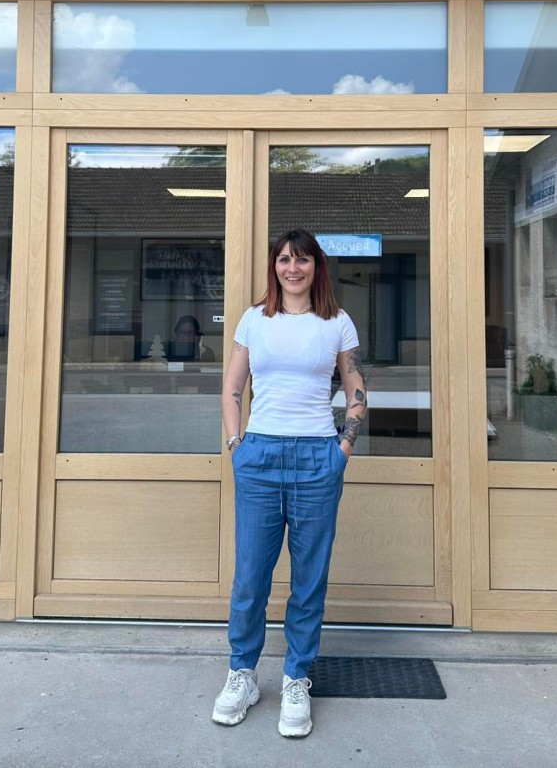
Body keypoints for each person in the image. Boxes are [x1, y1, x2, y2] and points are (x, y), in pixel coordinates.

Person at [212, 229, 367, 738]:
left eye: (302, 260)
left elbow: (356, 389)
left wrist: (342, 449)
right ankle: (242, 674)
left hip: (317, 458)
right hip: (259, 455)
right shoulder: (254, 319)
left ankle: (296, 677)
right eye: (284, 259)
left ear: (316, 267)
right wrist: (237, 446)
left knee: (309, 579)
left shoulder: (336, 322)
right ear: (274, 266)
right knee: (250, 577)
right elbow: (232, 389)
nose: (293, 268)